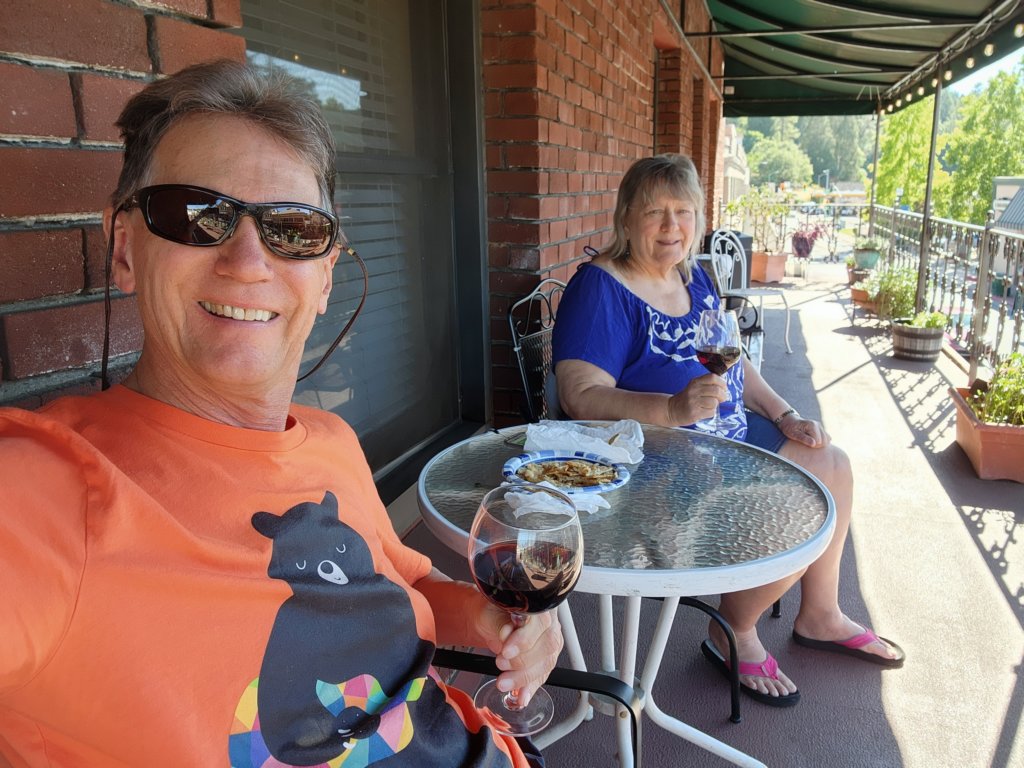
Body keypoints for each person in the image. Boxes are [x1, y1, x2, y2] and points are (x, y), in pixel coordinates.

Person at [0, 60, 561, 767]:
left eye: (292, 228)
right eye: (196, 214)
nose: (246, 260)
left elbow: (403, 587)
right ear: (124, 249)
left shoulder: (330, 441)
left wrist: (487, 618)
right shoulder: (45, 496)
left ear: (323, 278)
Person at [552, 154, 904, 708]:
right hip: (659, 459)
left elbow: (735, 363)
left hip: (727, 436)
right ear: (626, 217)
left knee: (831, 463)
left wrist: (785, 415)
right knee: (802, 498)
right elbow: (580, 395)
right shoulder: (601, 289)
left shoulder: (690, 276)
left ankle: (820, 614)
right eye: (655, 212)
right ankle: (734, 628)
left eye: (684, 211)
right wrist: (672, 409)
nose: (672, 226)